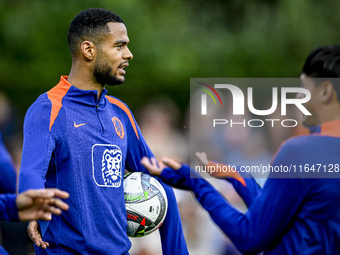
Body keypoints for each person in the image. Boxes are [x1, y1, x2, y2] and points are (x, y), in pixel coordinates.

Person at [18, 8, 188, 255]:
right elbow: (31, 171)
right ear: (88, 50)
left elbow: (161, 184)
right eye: (119, 46)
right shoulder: (48, 109)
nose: (129, 54)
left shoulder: (121, 112)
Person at [141, 45, 340, 254]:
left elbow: (250, 237)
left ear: (326, 91)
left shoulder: (299, 151)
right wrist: (237, 177)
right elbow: (278, 217)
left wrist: (195, 182)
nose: (297, 99)